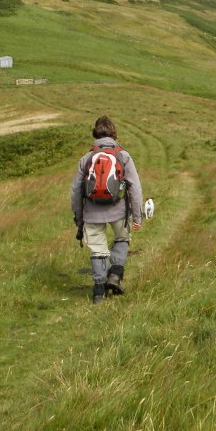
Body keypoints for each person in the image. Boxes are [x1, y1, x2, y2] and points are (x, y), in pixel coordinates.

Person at [71, 116, 143, 303]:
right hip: (118, 211)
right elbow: (135, 188)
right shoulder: (123, 156)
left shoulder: (86, 158)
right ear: (114, 134)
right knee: (121, 239)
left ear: (95, 134)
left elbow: (75, 192)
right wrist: (137, 217)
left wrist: (79, 218)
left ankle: (98, 292)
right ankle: (115, 274)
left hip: (92, 213)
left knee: (97, 250)